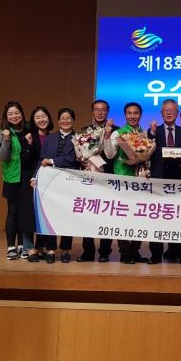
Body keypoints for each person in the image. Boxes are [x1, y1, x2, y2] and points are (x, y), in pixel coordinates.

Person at [147, 99, 181, 265]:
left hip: (179, 181)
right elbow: (146, 152)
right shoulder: (154, 131)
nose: (169, 113)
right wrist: (151, 134)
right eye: (165, 111)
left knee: (180, 219)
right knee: (157, 218)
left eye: (172, 110)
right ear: (161, 113)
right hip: (158, 181)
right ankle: (155, 255)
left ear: (177, 113)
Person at [103, 102, 147, 264]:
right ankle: (125, 253)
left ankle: (135, 251)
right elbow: (109, 155)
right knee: (123, 218)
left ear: (140, 115)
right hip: (122, 179)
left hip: (139, 181)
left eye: (136, 113)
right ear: (125, 115)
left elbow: (145, 155)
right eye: (129, 113)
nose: (132, 116)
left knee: (139, 217)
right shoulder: (118, 133)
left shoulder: (144, 133)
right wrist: (107, 137)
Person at [76, 99, 119, 263]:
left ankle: (105, 252)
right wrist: (82, 160)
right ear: (92, 111)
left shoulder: (116, 131)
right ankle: (88, 251)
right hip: (89, 177)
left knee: (107, 215)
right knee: (88, 214)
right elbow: (80, 152)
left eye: (103, 110)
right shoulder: (85, 131)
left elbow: (112, 155)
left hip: (108, 177)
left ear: (107, 112)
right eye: (96, 109)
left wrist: (107, 135)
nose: (100, 112)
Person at [37, 107, 79, 263]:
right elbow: (42, 158)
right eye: (63, 118)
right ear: (58, 121)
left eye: (68, 118)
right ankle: (51, 249)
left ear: (73, 120)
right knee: (50, 215)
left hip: (70, 182)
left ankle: (66, 249)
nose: (65, 121)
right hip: (51, 183)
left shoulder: (79, 138)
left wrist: (52, 161)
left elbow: (73, 159)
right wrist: (36, 175)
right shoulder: (50, 138)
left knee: (68, 216)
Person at [0, 101, 35, 260]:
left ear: (22, 114)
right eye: (10, 114)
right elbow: (2, 157)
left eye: (17, 113)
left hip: (27, 177)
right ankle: (11, 247)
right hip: (12, 177)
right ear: (6, 116)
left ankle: (22, 246)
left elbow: (31, 155)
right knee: (13, 212)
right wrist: (6, 139)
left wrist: (29, 144)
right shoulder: (3, 132)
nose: (14, 116)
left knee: (25, 211)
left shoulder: (28, 130)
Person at [26, 106, 56, 262]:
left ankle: (41, 247)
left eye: (43, 116)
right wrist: (29, 145)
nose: (41, 120)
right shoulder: (29, 136)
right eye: (37, 117)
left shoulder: (53, 137)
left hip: (48, 180)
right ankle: (30, 248)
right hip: (31, 180)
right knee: (30, 215)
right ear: (33, 120)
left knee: (45, 214)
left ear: (49, 118)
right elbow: (27, 160)